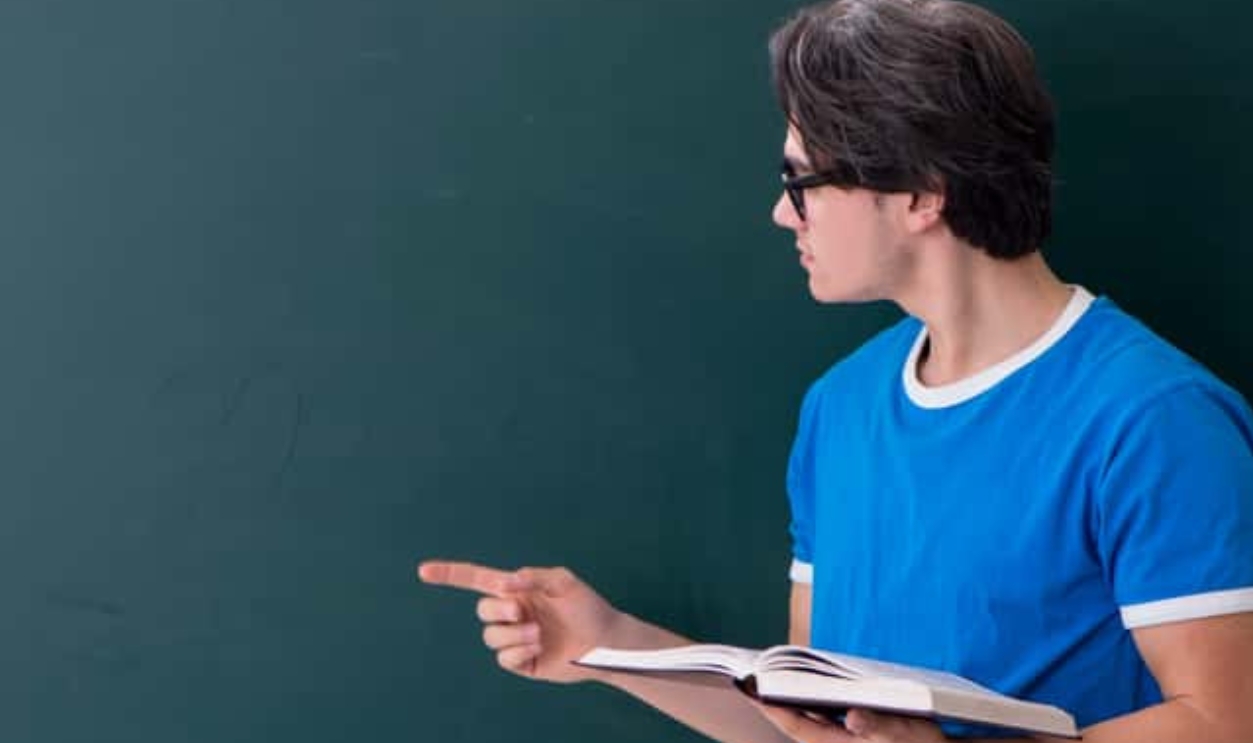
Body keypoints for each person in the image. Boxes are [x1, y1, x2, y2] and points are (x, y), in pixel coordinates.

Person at [419, 0, 1253, 741]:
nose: (782, 211)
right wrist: (611, 647)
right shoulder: (841, 406)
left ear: (923, 193)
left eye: (800, 179)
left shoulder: (1153, 419)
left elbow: (1228, 721)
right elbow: (812, 720)